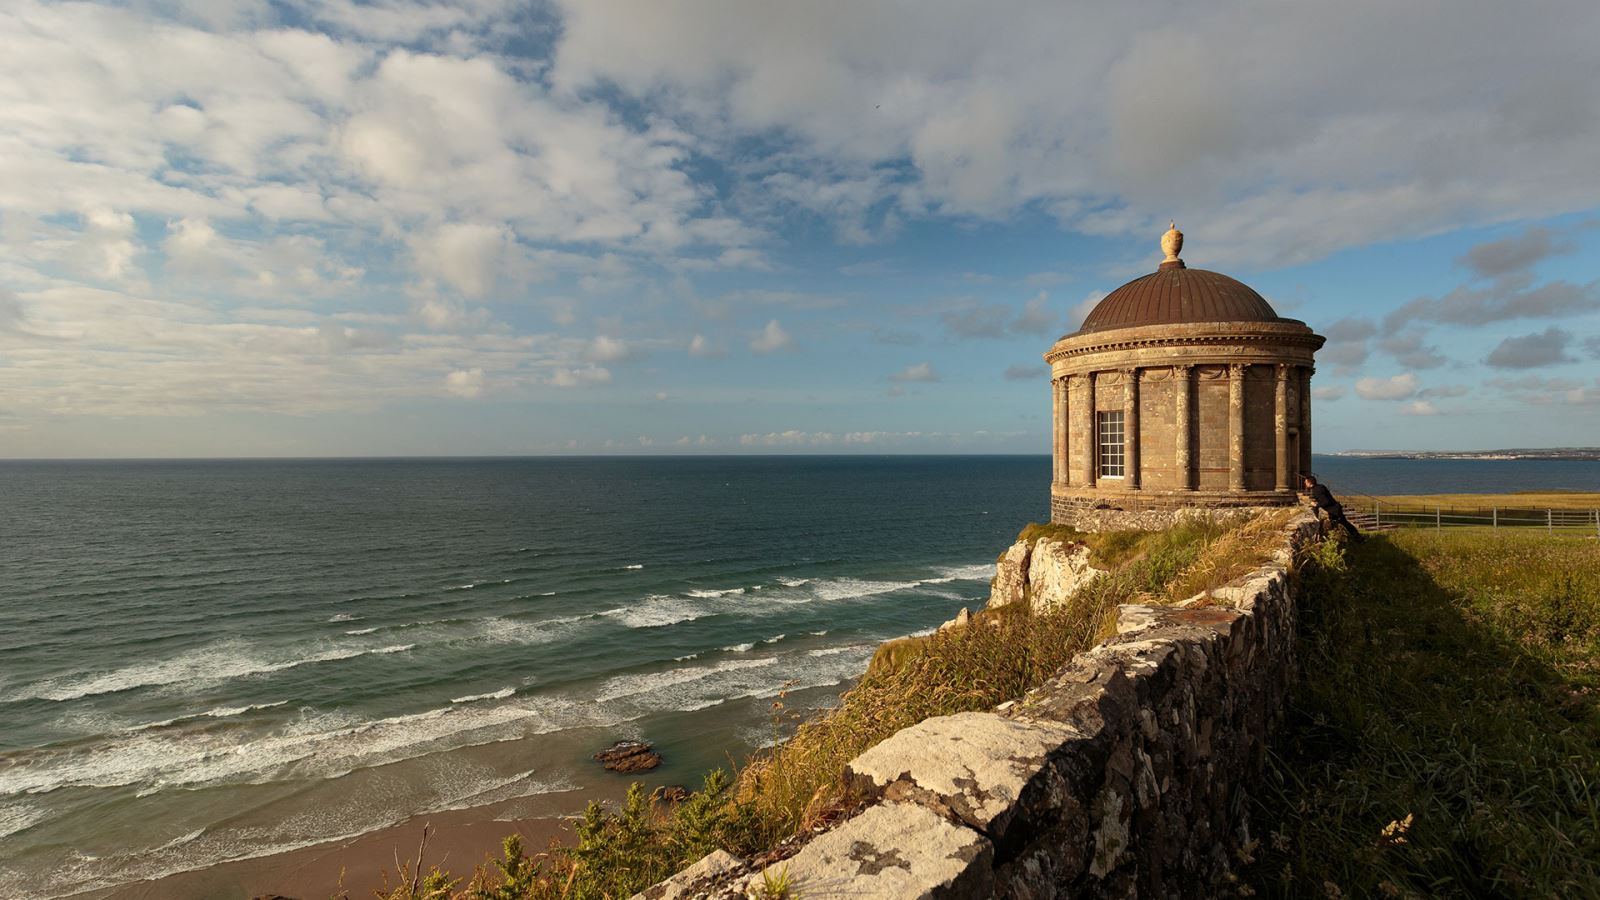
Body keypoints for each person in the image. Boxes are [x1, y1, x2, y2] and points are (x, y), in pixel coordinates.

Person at [1302, 474, 1363, 542]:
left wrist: (1316, 505)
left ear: (1310, 482)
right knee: (1343, 524)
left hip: (1333, 510)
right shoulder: (1320, 486)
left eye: (1306, 482)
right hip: (1335, 508)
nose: (1305, 483)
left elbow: (1326, 501)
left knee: (1344, 524)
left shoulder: (1316, 491)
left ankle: (1357, 538)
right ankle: (1355, 538)